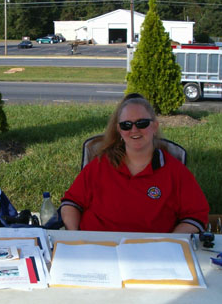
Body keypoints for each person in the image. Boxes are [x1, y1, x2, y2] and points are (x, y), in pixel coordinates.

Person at [59, 94, 209, 233]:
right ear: (119, 130)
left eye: (142, 123)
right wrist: (75, 237)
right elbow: (71, 203)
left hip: (151, 253)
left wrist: (170, 243)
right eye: (126, 125)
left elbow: (196, 216)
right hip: (97, 249)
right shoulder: (100, 165)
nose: (134, 130)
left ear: (154, 127)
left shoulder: (175, 171)